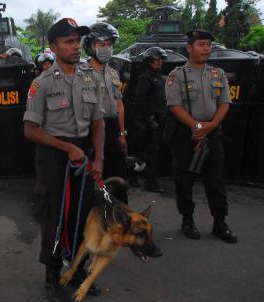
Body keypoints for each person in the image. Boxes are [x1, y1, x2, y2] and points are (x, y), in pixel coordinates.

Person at [23, 18, 105, 302]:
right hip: (54, 157)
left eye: (77, 40)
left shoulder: (89, 77)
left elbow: (98, 122)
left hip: (82, 156)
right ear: (53, 46)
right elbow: (30, 130)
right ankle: (52, 276)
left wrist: (99, 158)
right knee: (55, 218)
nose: (75, 46)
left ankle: (77, 270)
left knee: (81, 217)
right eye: (68, 41)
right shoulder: (41, 83)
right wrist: (67, 147)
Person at [165, 30, 237, 243]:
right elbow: (174, 106)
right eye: (201, 44)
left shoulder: (218, 74)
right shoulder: (177, 75)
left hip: (211, 134)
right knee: (184, 181)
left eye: (208, 44)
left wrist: (211, 125)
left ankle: (220, 223)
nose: (206, 48)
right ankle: (187, 220)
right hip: (185, 135)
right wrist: (197, 126)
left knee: (216, 180)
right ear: (189, 47)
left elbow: (225, 102)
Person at [82, 22, 128, 203]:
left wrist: (122, 133)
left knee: (117, 178)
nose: (107, 49)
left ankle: (119, 218)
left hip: (113, 129)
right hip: (90, 130)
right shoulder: (80, 72)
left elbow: (119, 104)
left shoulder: (113, 73)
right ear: (91, 46)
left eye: (110, 45)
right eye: (102, 44)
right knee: (91, 181)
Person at [130, 46, 168, 193]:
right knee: (144, 152)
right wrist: (148, 120)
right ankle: (145, 180)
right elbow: (140, 101)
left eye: (160, 60)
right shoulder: (145, 78)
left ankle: (140, 178)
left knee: (149, 153)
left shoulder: (159, 77)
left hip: (157, 121)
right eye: (156, 60)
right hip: (146, 122)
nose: (159, 63)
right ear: (149, 61)